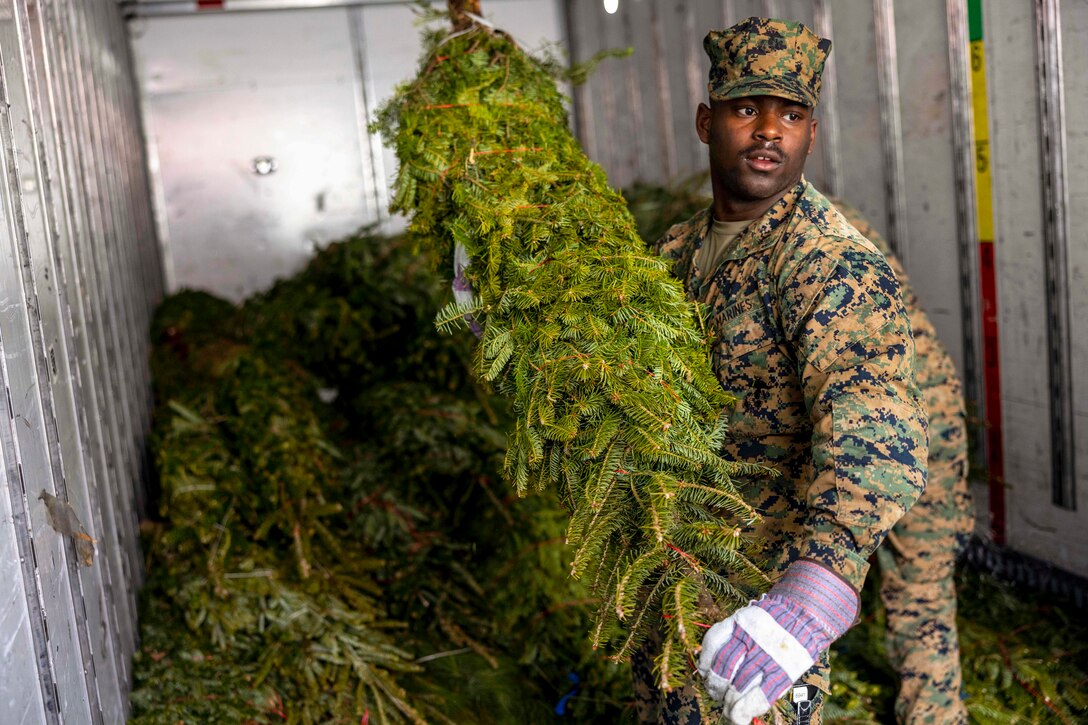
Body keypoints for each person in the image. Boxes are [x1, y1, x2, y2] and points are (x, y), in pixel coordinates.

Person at [632, 17, 928, 725]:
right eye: (746, 109)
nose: (769, 130)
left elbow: (875, 433)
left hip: (759, 612)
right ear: (708, 122)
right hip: (669, 573)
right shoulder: (675, 252)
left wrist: (813, 590)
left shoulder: (831, 264)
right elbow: (614, 355)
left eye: (791, 114)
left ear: (811, 133)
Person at [831, 199, 974, 723]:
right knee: (925, 591)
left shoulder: (800, 243)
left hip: (883, 429)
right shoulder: (845, 223)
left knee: (818, 578)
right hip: (933, 415)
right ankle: (934, 712)